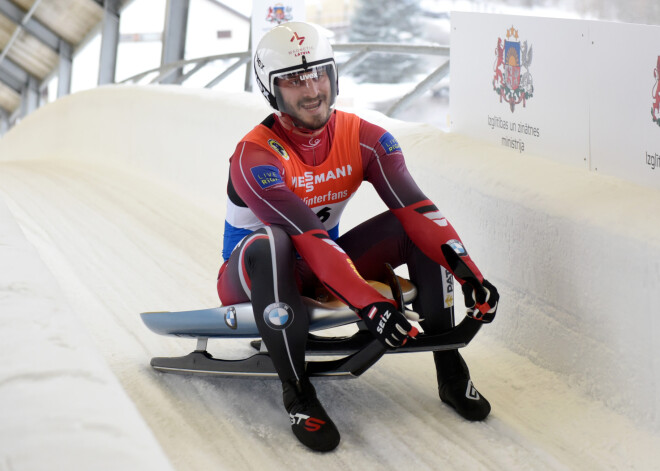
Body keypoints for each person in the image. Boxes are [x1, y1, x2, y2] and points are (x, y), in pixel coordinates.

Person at [217, 21, 499, 452]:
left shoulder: (366, 139)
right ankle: (296, 391)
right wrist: (371, 306)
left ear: (333, 75)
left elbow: (420, 211)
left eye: (319, 74)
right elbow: (307, 237)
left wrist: (469, 274)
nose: (312, 90)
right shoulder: (254, 155)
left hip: (325, 266)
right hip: (255, 276)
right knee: (271, 241)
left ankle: (450, 365)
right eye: (293, 80)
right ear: (270, 90)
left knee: (408, 224)